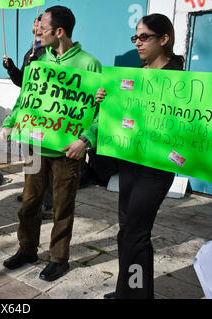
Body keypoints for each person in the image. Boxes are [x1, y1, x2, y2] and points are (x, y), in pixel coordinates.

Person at [0, 6, 102, 282]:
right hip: (35, 146)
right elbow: (26, 99)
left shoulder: (89, 64)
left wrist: (86, 140)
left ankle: (59, 259)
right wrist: (10, 122)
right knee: (29, 204)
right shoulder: (36, 62)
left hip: (68, 151)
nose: (37, 31)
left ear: (59, 32)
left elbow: (100, 112)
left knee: (61, 206)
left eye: (42, 27)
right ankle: (27, 249)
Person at [85, 14, 183, 299]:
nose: (138, 43)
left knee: (136, 233)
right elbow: (127, 118)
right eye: (135, 37)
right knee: (126, 230)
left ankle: (137, 295)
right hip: (130, 162)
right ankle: (127, 290)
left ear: (164, 39)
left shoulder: (179, 78)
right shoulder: (136, 74)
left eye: (145, 37)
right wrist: (106, 100)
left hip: (156, 167)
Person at [2, 14, 53, 220]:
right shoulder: (31, 51)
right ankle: (31, 195)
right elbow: (23, 84)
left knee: (43, 161)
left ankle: (47, 204)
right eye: (35, 23)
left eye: (40, 24)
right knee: (30, 158)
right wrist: (12, 68)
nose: (36, 27)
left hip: (45, 115)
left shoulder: (48, 53)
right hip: (28, 112)